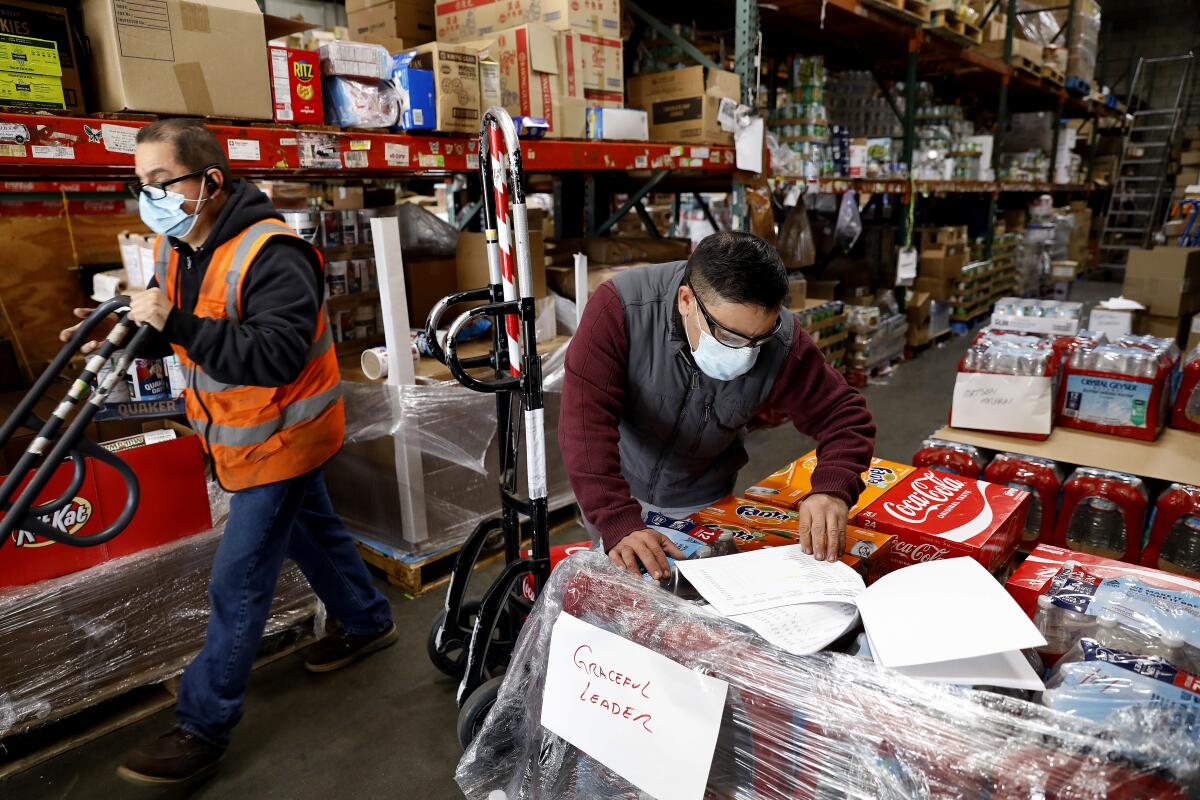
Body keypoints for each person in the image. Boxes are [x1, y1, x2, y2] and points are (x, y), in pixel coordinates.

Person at [61, 119, 396, 784]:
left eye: (161, 182)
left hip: (285, 435)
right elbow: (184, 336)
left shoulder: (274, 254)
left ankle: (202, 725)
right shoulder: (177, 244)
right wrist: (130, 338)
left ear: (210, 180)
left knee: (238, 582)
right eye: (141, 184)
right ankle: (365, 619)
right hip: (238, 434)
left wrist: (173, 322)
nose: (149, 197)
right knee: (314, 530)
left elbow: (271, 355)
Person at [559, 231, 876, 579]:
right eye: (728, 336)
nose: (745, 352)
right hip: (615, 487)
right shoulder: (622, 307)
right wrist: (616, 518)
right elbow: (584, 424)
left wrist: (833, 489)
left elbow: (845, 418)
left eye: (758, 339)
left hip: (703, 500)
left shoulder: (782, 341)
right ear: (686, 301)